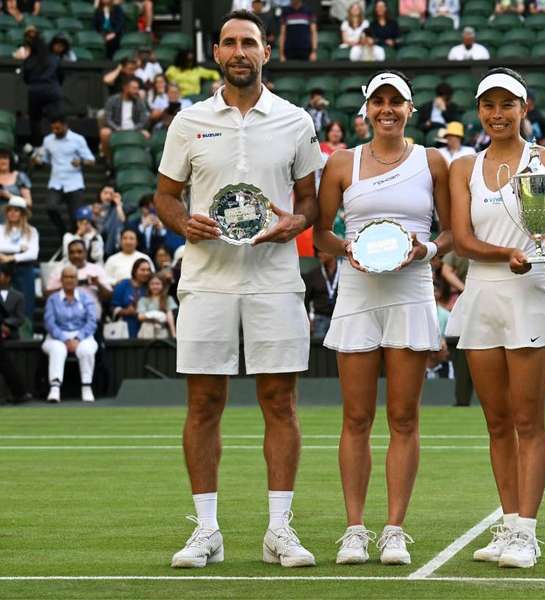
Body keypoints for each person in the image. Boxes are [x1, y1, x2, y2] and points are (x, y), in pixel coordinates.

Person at [156, 9, 323, 569]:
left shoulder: (297, 121)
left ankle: (279, 529)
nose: (238, 52)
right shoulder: (188, 121)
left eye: (248, 42)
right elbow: (165, 196)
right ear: (217, 53)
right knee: (204, 403)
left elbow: (310, 203)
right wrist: (183, 223)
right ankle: (206, 530)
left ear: (266, 51)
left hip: (275, 279)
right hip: (206, 279)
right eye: (229, 43)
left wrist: (294, 225)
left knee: (280, 401)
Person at [446, 68, 545, 569]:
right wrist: (507, 253)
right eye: (489, 105)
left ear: (525, 108)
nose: (497, 114)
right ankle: (508, 526)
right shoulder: (464, 167)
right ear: (480, 111)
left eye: (508, 104)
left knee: (529, 420)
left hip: (530, 294)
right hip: (483, 295)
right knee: (497, 423)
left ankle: (527, 532)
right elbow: (460, 241)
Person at [314, 70, 451, 566]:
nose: (387, 109)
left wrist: (427, 248)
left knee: (403, 417)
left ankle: (394, 529)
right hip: (357, 293)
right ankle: (355, 529)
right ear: (366, 110)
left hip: (412, 291)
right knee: (355, 417)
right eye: (378, 101)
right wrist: (347, 247)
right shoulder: (341, 164)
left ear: (411, 109)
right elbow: (320, 236)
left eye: (397, 101)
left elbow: (453, 232)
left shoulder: (433, 161)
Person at [42, 265, 99, 402]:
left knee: (86, 350)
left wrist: (78, 338)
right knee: (58, 349)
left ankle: (86, 387)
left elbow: (92, 322)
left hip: (82, 335)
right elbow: (49, 322)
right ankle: (54, 389)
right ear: (61, 279)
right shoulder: (53, 299)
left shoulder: (86, 298)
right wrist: (64, 339)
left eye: (72, 277)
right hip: (56, 336)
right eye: (66, 277)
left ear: (77, 280)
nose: (69, 280)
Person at [33, 116, 96, 239]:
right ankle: (64, 234)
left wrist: (81, 162)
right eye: (53, 128)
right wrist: (37, 161)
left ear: (65, 125)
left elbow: (91, 160)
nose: (55, 131)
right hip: (56, 182)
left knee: (76, 217)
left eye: (58, 128)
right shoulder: (48, 140)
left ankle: (74, 239)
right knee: (50, 207)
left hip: (74, 183)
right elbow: (44, 160)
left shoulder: (78, 139)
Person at [46, 238, 112, 320]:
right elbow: (48, 295)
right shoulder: (59, 270)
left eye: (79, 252)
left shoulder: (97, 270)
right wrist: (67, 285)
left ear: (86, 253)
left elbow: (109, 296)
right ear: (68, 254)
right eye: (72, 252)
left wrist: (98, 284)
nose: (76, 255)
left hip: (92, 320)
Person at [21, 28, 63, 148]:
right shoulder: (54, 58)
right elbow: (61, 76)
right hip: (52, 90)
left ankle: (37, 146)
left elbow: (26, 79)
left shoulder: (28, 61)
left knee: (35, 121)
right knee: (56, 119)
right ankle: (58, 145)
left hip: (34, 91)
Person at [0, 197, 38, 322]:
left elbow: (33, 254)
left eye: (16, 210)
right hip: (3, 268)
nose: (12, 213)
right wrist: (20, 250)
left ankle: (25, 333)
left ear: (22, 213)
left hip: (23, 269)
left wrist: (11, 257)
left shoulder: (31, 231)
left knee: (26, 302)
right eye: (10, 210)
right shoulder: (1, 229)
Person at [0, 263, 30, 404]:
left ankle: (20, 393)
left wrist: (6, 325)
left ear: (8, 277)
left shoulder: (18, 296)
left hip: (11, 333)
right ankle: (20, 393)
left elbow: (20, 317)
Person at [100, 77, 151, 160]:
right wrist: (117, 129)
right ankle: (109, 161)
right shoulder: (113, 100)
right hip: (116, 129)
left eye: (137, 88)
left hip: (135, 129)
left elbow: (143, 120)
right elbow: (108, 119)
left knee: (146, 134)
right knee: (104, 133)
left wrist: (135, 128)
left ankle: (143, 161)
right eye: (134, 88)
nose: (137, 91)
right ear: (125, 88)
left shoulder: (139, 101)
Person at [301, 248, 339, 339]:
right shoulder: (313, 274)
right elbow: (305, 300)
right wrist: (308, 321)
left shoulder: (344, 273)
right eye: (318, 252)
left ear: (333, 253)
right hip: (320, 319)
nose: (319, 254)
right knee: (321, 350)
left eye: (322, 251)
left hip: (340, 318)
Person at [110, 257, 151, 337]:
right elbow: (113, 307)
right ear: (135, 271)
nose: (146, 273)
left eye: (148, 270)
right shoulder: (124, 285)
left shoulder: (150, 286)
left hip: (146, 328)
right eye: (142, 270)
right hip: (126, 327)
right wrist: (125, 311)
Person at [137, 272, 177, 338]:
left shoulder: (168, 299)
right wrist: (156, 315)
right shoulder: (143, 300)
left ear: (163, 285)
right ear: (148, 285)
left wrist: (174, 335)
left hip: (162, 330)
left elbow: (170, 317)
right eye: (152, 284)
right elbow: (140, 317)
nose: (155, 286)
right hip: (146, 331)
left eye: (157, 284)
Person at [94, 185, 126, 257]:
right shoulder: (93, 208)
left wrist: (118, 203)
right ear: (100, 194)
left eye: (111, 194)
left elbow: (122, 220)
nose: (108, 196)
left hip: (112, 243)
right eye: (105, 193)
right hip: (96, 244)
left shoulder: (116, 208)